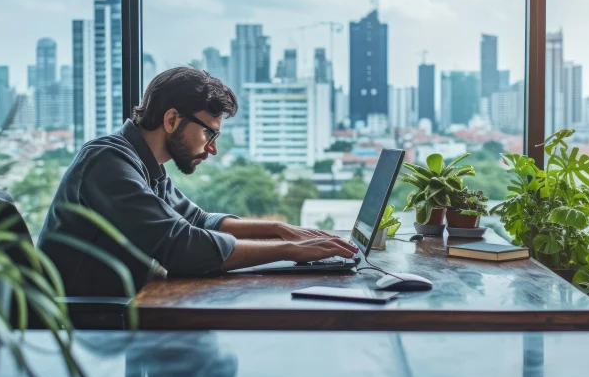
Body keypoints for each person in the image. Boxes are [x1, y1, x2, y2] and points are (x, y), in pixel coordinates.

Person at [38, 66, 358, 296]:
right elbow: (181, 246)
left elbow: (199, 220)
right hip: (82, 328)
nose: (212, 149)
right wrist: (290, 250)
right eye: (209, 133)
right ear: (172, 119)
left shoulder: (146, 167)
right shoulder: (107, 162)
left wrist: (279, 230)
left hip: (117, 314)